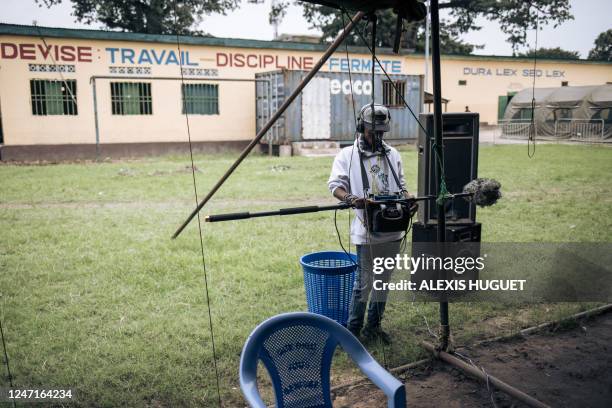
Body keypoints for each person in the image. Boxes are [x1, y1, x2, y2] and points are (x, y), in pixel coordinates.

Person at [328, 103, 415, 344]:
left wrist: (409, 201)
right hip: (366, 232)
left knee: (383, 283)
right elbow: (336, 186)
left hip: (393, 231)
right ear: (361, 127)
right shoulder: (347, 155)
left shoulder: (393, 155)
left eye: (381, 132)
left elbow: (403, 187)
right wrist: (352, 200)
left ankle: (373, 328)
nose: (377, 136)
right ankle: (353, 333)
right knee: (364, 284)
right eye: (372, 132)